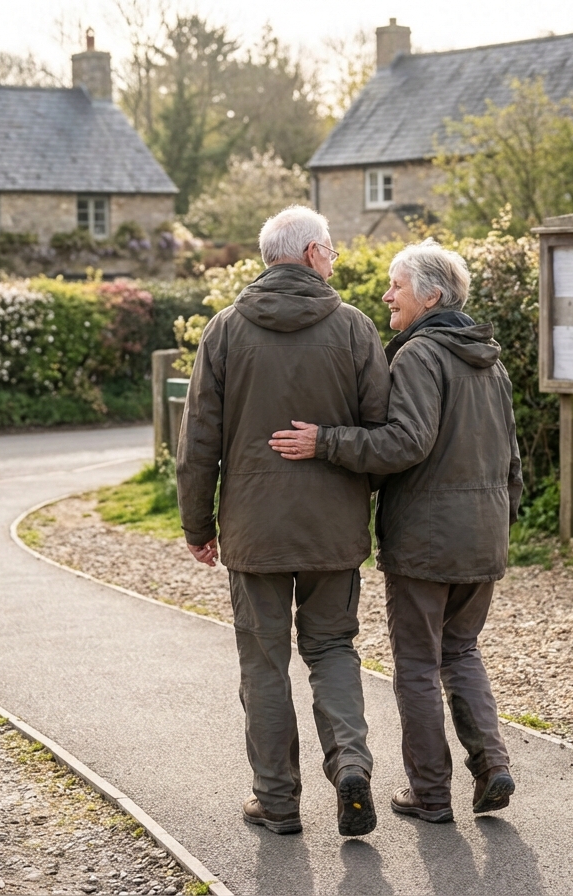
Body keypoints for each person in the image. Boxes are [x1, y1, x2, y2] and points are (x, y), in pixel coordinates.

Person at [269, 238, 522, 823]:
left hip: (428, 539)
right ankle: (493, 766)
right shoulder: (492, 360)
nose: (387, 294)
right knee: (461, 650)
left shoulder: (418, 356)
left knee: (415, 663)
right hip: (484, 535)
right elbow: (510, 458)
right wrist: (500, 520)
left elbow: (406, 442)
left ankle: (430, 794)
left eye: (397, 285)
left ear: (431, 294)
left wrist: (325, 441)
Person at [176, 205, 390, 837]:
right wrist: (355, 494)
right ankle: (351, 764)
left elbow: (197, 446)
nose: (333, 261)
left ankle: (277, 802)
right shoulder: (354, 329)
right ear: (310, 253)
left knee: (264, 665)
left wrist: (198, 526)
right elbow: (384, 434)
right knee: (332, 651)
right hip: (333, 531)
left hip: (253, 532)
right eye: (330, 251)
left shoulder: (223, 331)